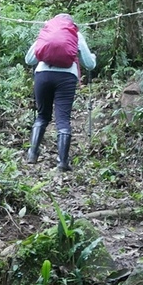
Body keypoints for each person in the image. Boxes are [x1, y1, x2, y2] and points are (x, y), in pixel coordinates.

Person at [24, 14, 97, 171]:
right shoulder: (75, 34)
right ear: (72, 23)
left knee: (42, 115)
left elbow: (29, 60)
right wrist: (93, 57)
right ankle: (62, 162)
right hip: (66, 77)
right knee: (63, 120)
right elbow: (89, 64)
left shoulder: (46, 32)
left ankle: (32, 154)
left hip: (43, 74)